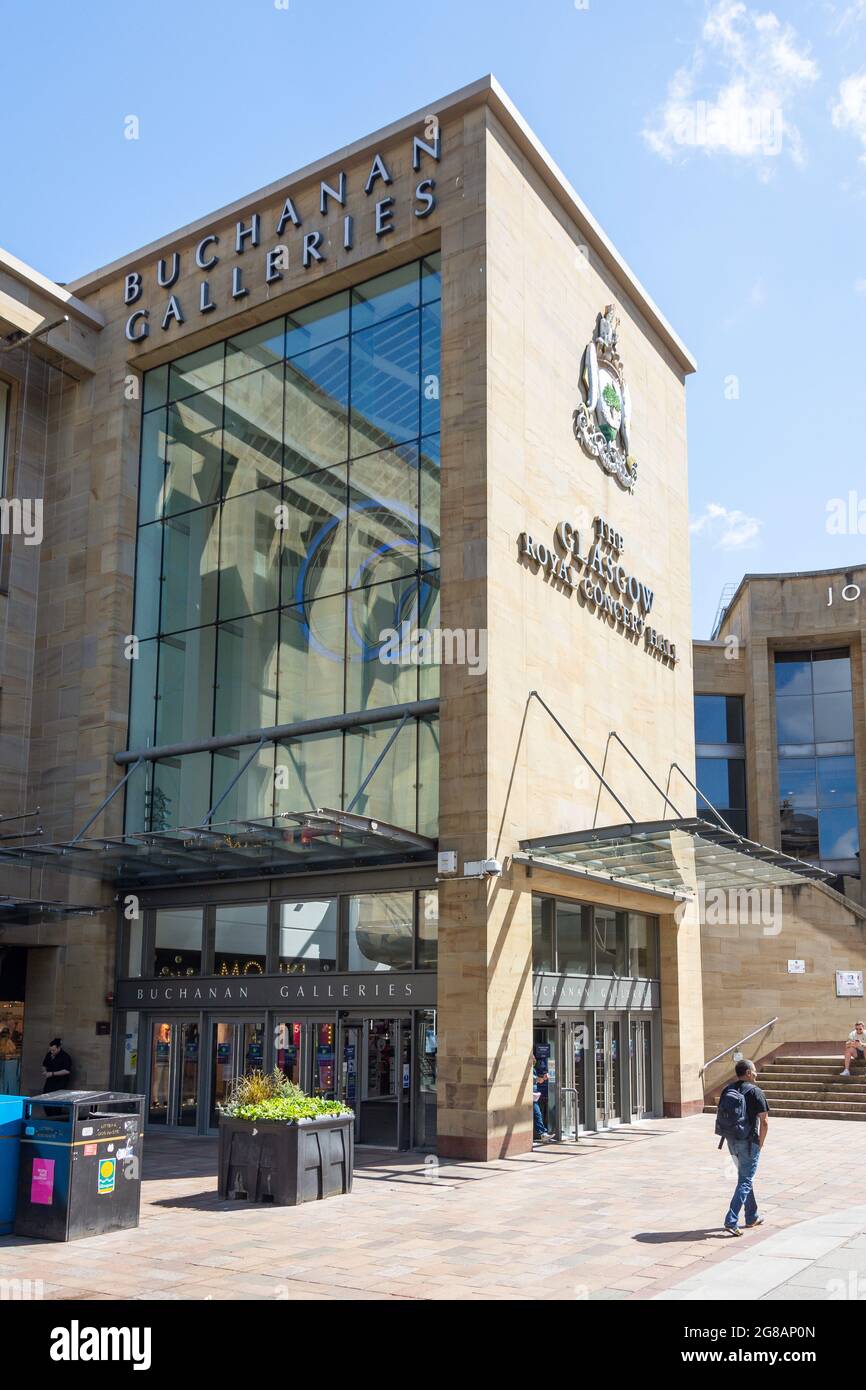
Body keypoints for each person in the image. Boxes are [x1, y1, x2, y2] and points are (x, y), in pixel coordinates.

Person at [715, 1058, 769, 1236]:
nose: (756, 1074)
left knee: (744, 1176)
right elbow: (765, 1122)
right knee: (745, 1180)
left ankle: (752, 1216)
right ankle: (731, 1220)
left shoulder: (727, 1089)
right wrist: (760, 1144)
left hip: (731, 1139)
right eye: (754, 1071)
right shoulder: (756, 1091)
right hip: (748, 1141)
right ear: (747, 1073)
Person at [532, 1052, 554, 1143]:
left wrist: (542, 1078)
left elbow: (537, 1080)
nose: (534, 1060)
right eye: (532, 1059)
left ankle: (542, 1134)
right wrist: (543, 1078)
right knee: (538, 1115)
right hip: (531, 1096)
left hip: (533, 1096)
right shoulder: (529, 1070)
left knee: (537, 1115)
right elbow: (537, 1080)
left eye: (533, 1059)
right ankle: (542, 1134)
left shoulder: (532, 1070)